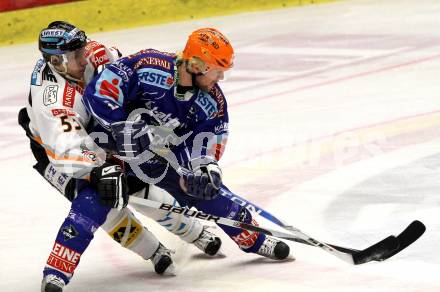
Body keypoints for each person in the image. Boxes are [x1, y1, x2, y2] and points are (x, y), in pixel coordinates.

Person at [19, 21, 222, 292]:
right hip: (56, 154)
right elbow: (65, 148)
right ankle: (144, 252)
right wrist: (98, 170)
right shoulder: (52, 99)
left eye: (82, 50)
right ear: (56, 61)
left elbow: (126, 75)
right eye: (75, 56)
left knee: (140, 187)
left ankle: (195, 232)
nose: (84, 57)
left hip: (101, 135)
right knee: (102, 200)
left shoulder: (93, 55)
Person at [83, 28, 295, 261]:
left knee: (208, 192)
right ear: (197, 65)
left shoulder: (212, 102)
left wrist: (204, 169)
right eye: (217, 71)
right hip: (110, 149)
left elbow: (207, 140)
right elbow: (102, 90)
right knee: (94, 203)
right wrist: (122, 126)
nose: (220, 78)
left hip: (157, 157)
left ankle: (254, 239)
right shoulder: (148, 65)